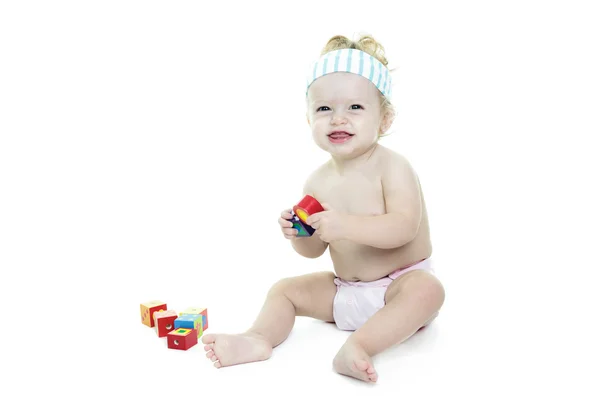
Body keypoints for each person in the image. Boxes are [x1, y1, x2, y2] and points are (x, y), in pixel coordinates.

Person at [201, 34, 445, 383]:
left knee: (429, 291)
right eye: (324, 109)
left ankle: (358, 346)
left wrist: (344, 225)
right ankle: (258, 338)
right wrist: (298, 234)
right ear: (309, 120)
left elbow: (404, 227)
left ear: (385, 119)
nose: (338, 119)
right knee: (284, 289)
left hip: (398, 288)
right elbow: (313, 251)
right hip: (344, 291)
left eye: (355, 108)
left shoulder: (393, 167)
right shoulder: (317, 182)